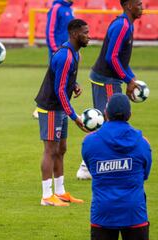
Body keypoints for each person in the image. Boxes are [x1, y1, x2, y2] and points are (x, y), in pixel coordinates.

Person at [76, 0, 143, 180]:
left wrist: (131, 77)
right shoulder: (122, 26)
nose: (142, 6)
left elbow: (121, 60)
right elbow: (111, 57)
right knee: (108, 120)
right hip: (105, 79)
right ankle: (87, 166)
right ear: (129, 6)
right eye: (138, 3)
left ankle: (91, 164)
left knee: (106, 120)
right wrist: (127, 79)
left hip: (108, 78)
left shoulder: (126, 24)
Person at [34, 19, 90, 206]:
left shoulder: (74, 53)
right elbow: (58, 89)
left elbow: (62, 79)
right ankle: (46, 196)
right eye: (85, 33)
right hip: (51, 107)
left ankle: (60, 191)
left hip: (59, 107)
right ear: (74, 34)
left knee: (61, 149)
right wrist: (74, 116)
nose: (88, 36)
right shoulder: (65, 56)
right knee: (50, 150)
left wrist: (74, 85)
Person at [82, 93, 151, 240]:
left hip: (103, 213)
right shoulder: (143, 143)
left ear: (105, 114)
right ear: (130, 115)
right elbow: (144, 174)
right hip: (134, 213)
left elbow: (93, 170)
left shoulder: (89, 142)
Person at [33, 0, 74, 119]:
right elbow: (50, 30)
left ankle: (61, 109)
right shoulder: (56, 8)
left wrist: (75, 51)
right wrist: (54, 49)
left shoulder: (69, 9)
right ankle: (40, 108)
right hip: (58, 52)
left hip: (68, 52)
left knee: (64, 80)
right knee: (54, 80)